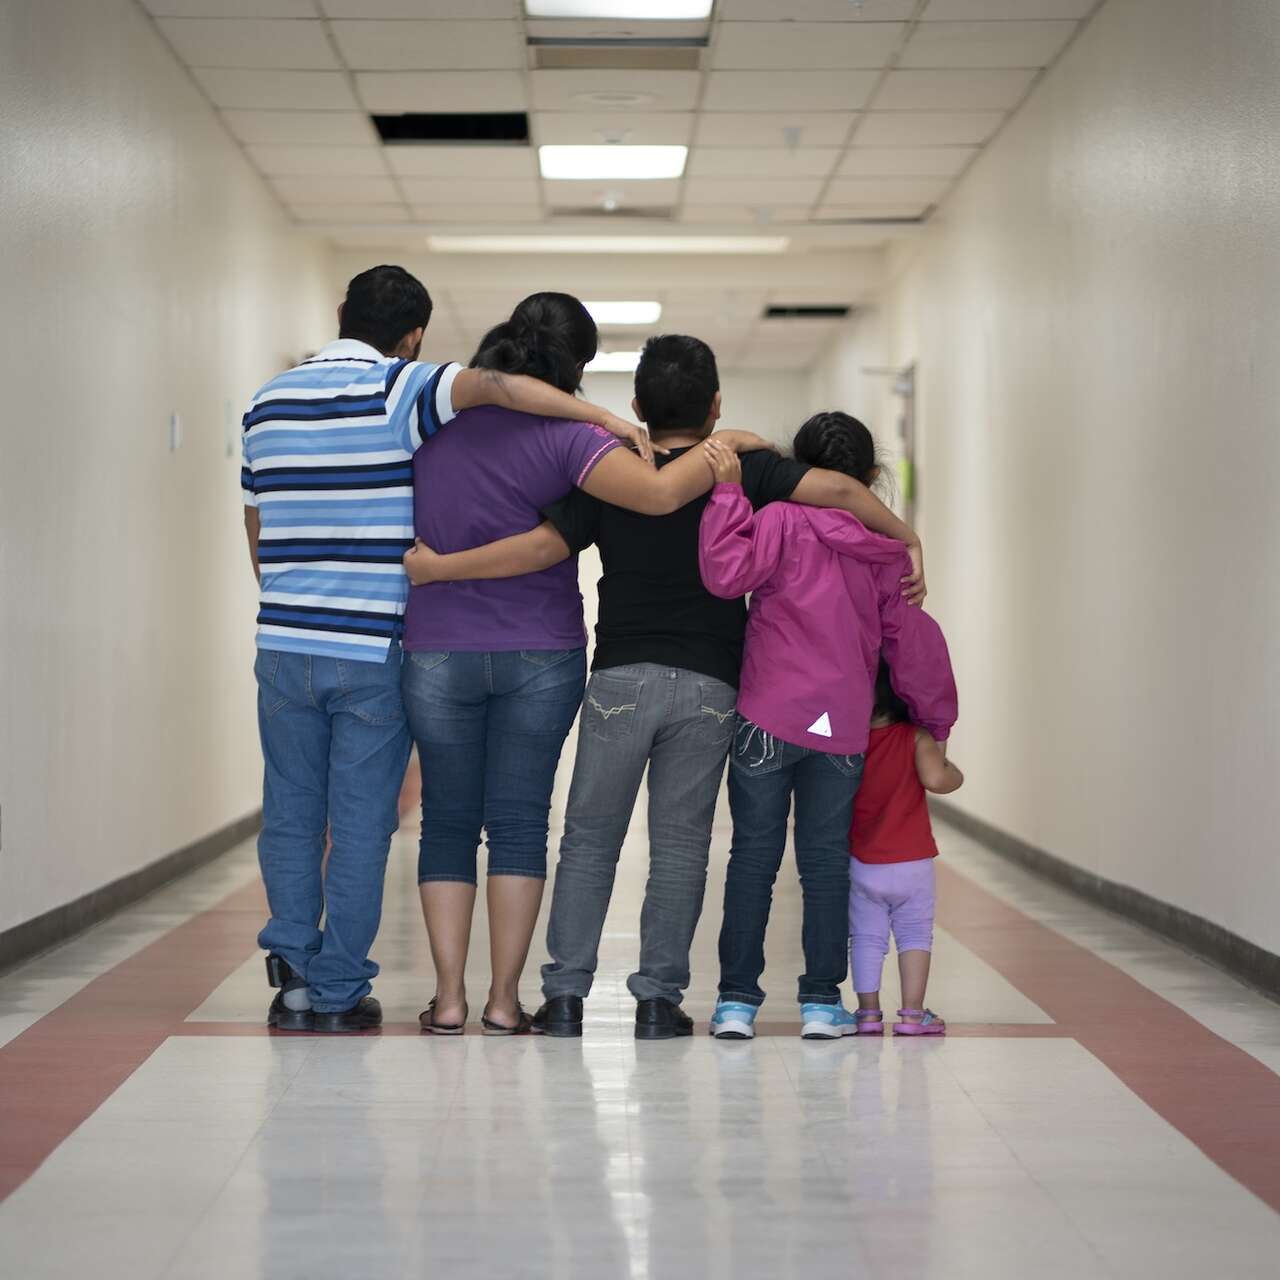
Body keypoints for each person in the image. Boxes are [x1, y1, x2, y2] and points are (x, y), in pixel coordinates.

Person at [404, 334, 928, 1040]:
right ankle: (657, 1000)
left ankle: (564, 997)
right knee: (681, 845)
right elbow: (837, 489)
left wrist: (442, 568)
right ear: (716, 406)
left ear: (637, 407)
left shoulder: (609, 470)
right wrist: (907, 539)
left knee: (590, 840)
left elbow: (540, 548)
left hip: (620, 677)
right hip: (712, 684)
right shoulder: (740, 468)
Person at [241, 266, 653, 1035]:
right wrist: (600, 416)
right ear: (415, 335)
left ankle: (300, 980)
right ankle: (362, 995)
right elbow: (502, 389)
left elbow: (257, 520)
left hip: (294, 639)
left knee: (299, 814)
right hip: (377, 643)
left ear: (340, 312)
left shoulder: (266, 402)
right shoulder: (405, 390)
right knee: (373, 823)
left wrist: (288, 597)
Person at [399, 295, 775, 1037]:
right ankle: (564, 1001)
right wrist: (731, 448)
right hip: (589, 660)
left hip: (475, 651)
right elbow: (686, 493)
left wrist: (438, 572)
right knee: (557, 830)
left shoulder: (429, 425)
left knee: (487, 827)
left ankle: (500, 998)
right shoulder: (584, 448)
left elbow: (544, 542)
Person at [698, 411, 958, 1041]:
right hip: (841, 728)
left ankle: (736, 1003)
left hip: (767, 715)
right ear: (870, 478)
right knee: (823, 864)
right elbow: (914, 644)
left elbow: (724, 574)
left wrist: (729, 495)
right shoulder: (885, 555)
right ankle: (820, 1002)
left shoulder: (780, 519)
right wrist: (935, 722)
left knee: (752, 859)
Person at [849, 661, 963, 1036]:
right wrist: (955, 771)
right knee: (914, 934)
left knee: (866, 936)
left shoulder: (849, 742)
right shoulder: (915, 738)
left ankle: (867, 1014)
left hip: (862, 860)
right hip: (911, 860)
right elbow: (936, 778)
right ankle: (913, 1016)